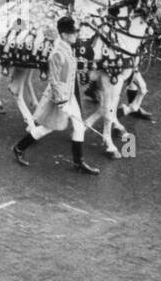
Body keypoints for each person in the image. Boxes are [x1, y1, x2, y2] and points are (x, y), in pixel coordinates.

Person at [11, 15, 100, 174]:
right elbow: (54, 79)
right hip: (61, 98)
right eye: (73, 33)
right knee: (46, 128)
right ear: (65, 35)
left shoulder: (67, 47)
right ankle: (19, 148)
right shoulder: (58, 53)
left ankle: (78, 162)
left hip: (69, 95)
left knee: (79, 127)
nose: (76, 35)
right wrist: (62, 102)